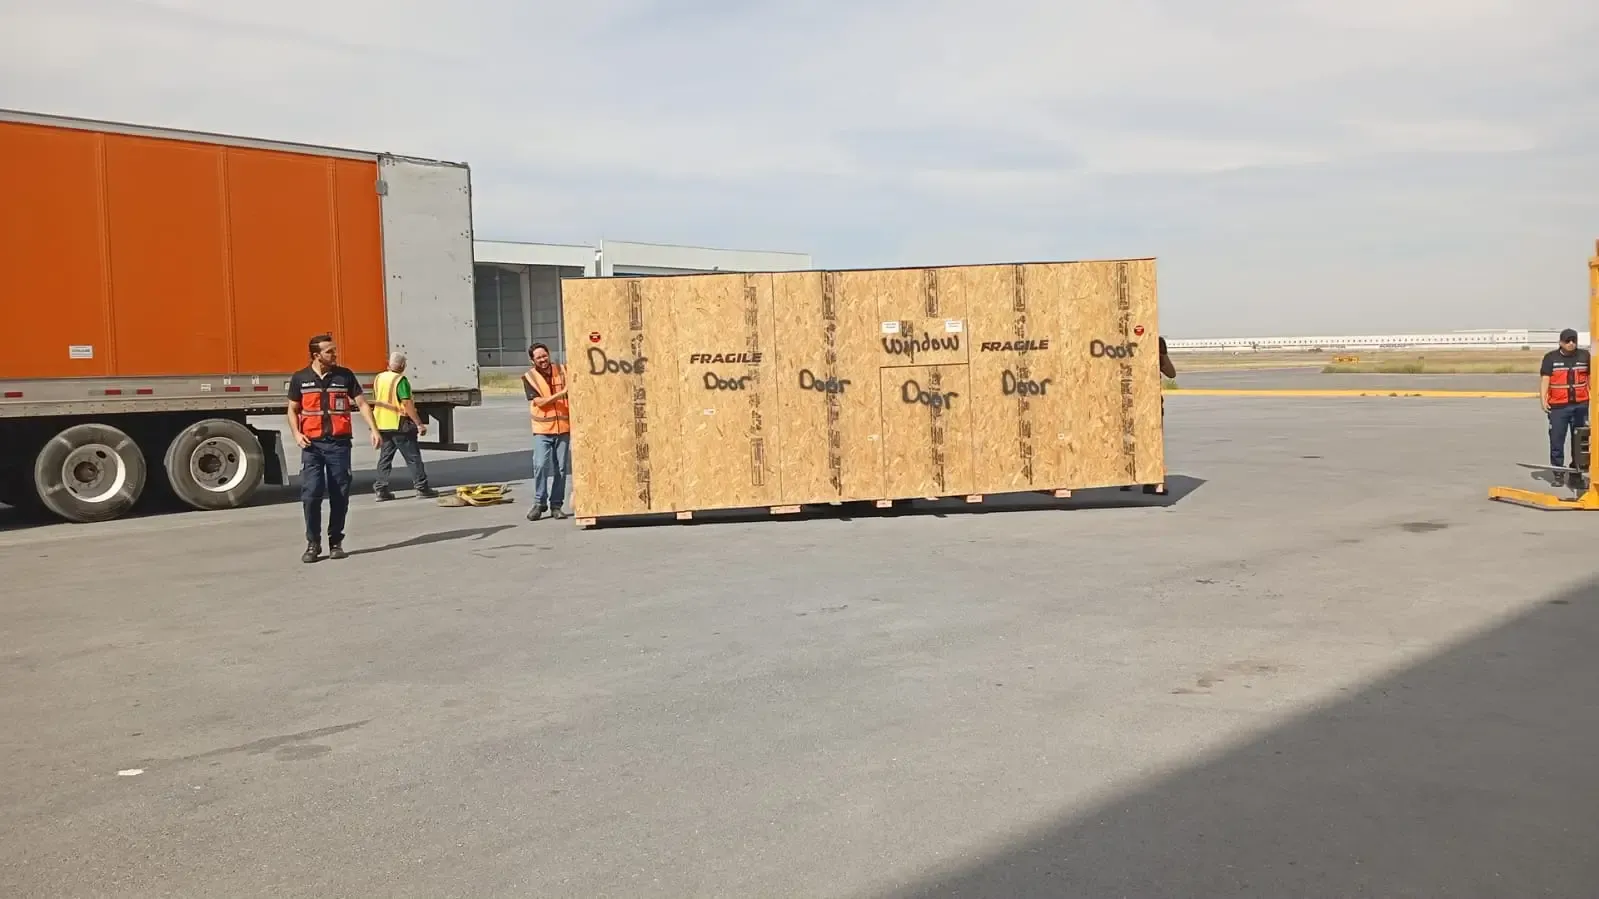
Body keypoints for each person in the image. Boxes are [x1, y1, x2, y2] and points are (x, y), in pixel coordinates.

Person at [287, 334, 380, 562]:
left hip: (339, 446)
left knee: (340, 494)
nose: (334, 355)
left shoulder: (344, 375)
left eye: (334, 350)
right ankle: (313, 543)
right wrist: (296, 434)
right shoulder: (300, 378)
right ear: (316, 355)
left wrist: (374, 429)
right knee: (311, 494)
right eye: (329, 351)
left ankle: (336, 541)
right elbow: (292, 410)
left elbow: (361, 403)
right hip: (312, 446)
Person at [371, 351, 439, 502]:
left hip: (382, 423)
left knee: (385, 458)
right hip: (399, 423)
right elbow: (407, 403)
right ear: (402, 365)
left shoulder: (379, 378)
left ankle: (381, 489)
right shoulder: (400, 380)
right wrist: (419, 423)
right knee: (413, 457)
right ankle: (422, 487)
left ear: (389, 364)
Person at [522, 342, 571, 520]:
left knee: (561, 469)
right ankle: (539, 502)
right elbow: (540, 402)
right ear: (532, 360)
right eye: (538, 358)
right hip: (542, 429)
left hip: (563, 428)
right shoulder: (529, 377)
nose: (543, 360)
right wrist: (562, 393)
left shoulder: (563, 370)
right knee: (541, 465)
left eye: (544, 356)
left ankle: (556, 505)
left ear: (549, 354)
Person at [1539, 328, 1590, 486]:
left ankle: (1577, 473)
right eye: (1567, 341)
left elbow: (1591, 377)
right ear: (1561, 342)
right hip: (1558, 407)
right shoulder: (1551, 358)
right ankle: (1558, 473)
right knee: (1557, 440)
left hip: (1580, 405)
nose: (1571, 343)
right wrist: (1543, 399)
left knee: (1580, 441)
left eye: (1573, 340)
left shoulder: (1585, 356)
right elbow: (1545, 379)